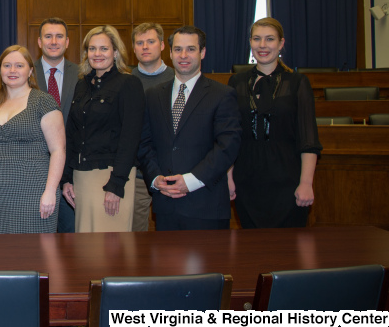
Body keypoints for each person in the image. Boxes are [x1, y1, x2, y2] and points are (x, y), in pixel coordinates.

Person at [138, 26, 241, 231]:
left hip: (206, 205)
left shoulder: (222, 94)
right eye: (178, 49)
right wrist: (155, 178)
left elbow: (227, 146)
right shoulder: (153, 94)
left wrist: (191, 180)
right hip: (166, 206)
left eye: (191, 49)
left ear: (202, 52)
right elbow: (145, 143)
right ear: (170, 53)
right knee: (166, 264)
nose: (183, 55)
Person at [228, 17, 321, 228]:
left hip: (288, 180)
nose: (262, 45)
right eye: (257, 39)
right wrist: (229, 176)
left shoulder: (298, 83)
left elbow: (309, 139)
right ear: (250, 43)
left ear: (281, 44)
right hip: (247, 181)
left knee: (289, 252)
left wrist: (306, 183)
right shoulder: (237, 82)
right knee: (252, 250)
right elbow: (231, 136)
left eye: (269, 39)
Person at [0, 46, 66, 233]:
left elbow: (58, 150)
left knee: (36, 254)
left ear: (30, 70)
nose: (12, 70)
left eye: (19, 65)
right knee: (0, 253)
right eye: (7, 65)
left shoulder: (43, 102)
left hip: (35, 193)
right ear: (0, 71)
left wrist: (50, 191)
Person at [61, 26, 145, 232]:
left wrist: (116, 184)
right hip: (81, 177)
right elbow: (72, 134)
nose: (97, 54)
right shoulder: (82, 85)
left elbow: (130, 138)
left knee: (111, 252)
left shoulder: (129, 83)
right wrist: (67, 179)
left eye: (104, 49)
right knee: (85, 248)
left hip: (111, 178)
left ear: (115, 52)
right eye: (92, 49)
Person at [34, 17, 79, 233]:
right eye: (48, 36)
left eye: (59, 36)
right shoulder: (25, 73)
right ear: (40, 42)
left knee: (71, 238)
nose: (54, 41)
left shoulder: (82, 74)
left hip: (72, 171)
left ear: (68, 42)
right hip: (34, 168)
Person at [130, 23, 175, 232]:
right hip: (136, 175)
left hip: (170, 173)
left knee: (170, 243)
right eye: (139, 43)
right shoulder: (126, 81)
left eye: (150, 41)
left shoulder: (177, 78)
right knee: (134, 241)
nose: (145, 47)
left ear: (163, 45)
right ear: (133, 48)